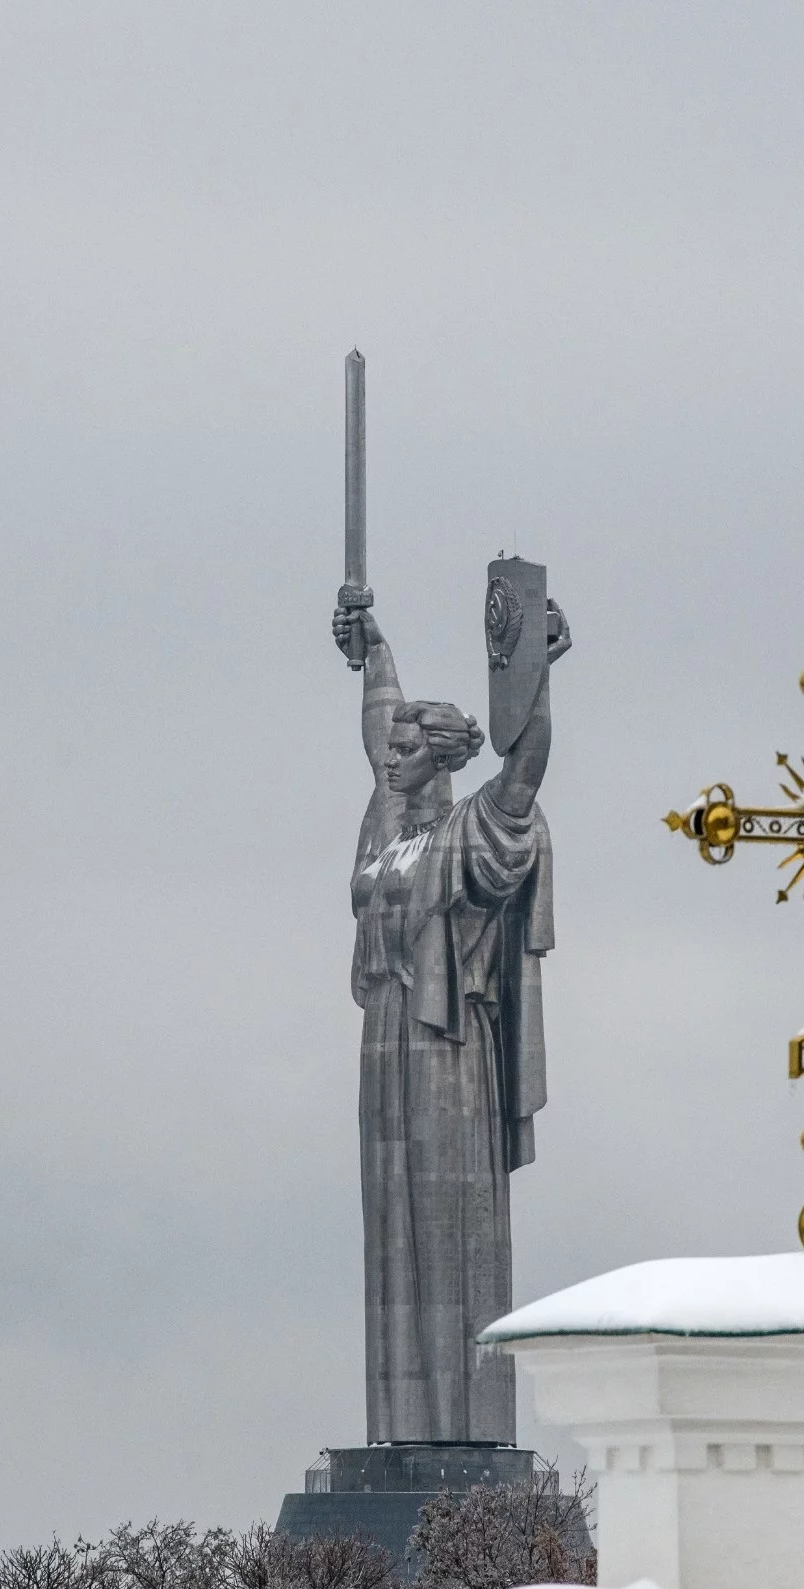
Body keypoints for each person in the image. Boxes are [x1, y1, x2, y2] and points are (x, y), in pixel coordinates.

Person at [330, 588, 571, 1446]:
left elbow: (529, 764)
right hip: (385, 1043)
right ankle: (398, 1431)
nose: (388, 757)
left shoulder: (474, 832)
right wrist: (376, 645)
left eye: (403, 748)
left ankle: (461, 1434)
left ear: (437, 758)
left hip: (448, 1051)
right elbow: (375, 722)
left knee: (448, 1228)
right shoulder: (388, 825)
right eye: (389, 747)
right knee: (390, 1230)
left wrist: (535, 672)